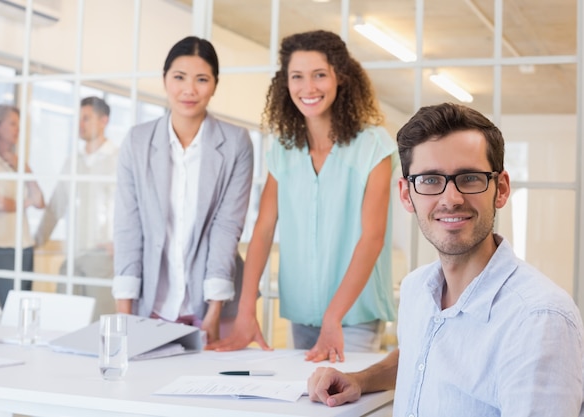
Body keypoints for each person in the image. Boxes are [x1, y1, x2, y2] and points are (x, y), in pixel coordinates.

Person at [307, 102, 584, 416]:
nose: (451, 199)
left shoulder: (538, 319)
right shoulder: (416, 289)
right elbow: (421, 354)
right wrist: (360, 379)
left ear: (501, 189)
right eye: (429, 180)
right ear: (406, 194)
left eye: (469, 178)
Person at [208, 30, 398, 362]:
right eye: (297, 76)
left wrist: (333, 317)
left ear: (340, 77)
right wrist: (245, 310)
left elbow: (373, 238)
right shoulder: (283, 150)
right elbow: (264, 230)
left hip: (353, 318)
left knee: (343, 404)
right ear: (286, 83)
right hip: (302, 313)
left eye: (319, 75)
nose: (308, 88)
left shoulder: (374, 146)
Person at [112, 36, 254, 344]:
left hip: (215, 304)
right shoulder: (137, 141)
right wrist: (125, 313)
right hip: (150, 304)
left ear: (215, 84)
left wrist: (214, 310)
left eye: (202, 79)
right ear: (164, 80)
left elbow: (227, 227)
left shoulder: (235, 143)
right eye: (179, 77)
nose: (189, 90)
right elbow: (128, 227)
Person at [34, 96, 118, 318]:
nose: (80, 124)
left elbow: (131, 208)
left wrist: (120, 244)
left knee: (100, 320)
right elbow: (56, 204)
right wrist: (37, 240)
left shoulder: (118, 160)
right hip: (73, 252)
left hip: (103, 256)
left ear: (103, 121)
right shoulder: (72, 161)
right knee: (64, 317)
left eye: (86, 118)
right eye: (78, 119)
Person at [0, 104, 45, 306]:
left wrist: (22, 166)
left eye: (19, 125)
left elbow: (39, 201)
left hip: (23, 245)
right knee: (14, 308)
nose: (18, 130)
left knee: (25, 308)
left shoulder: (15, 162)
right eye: (12, 124)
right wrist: (25, 203)